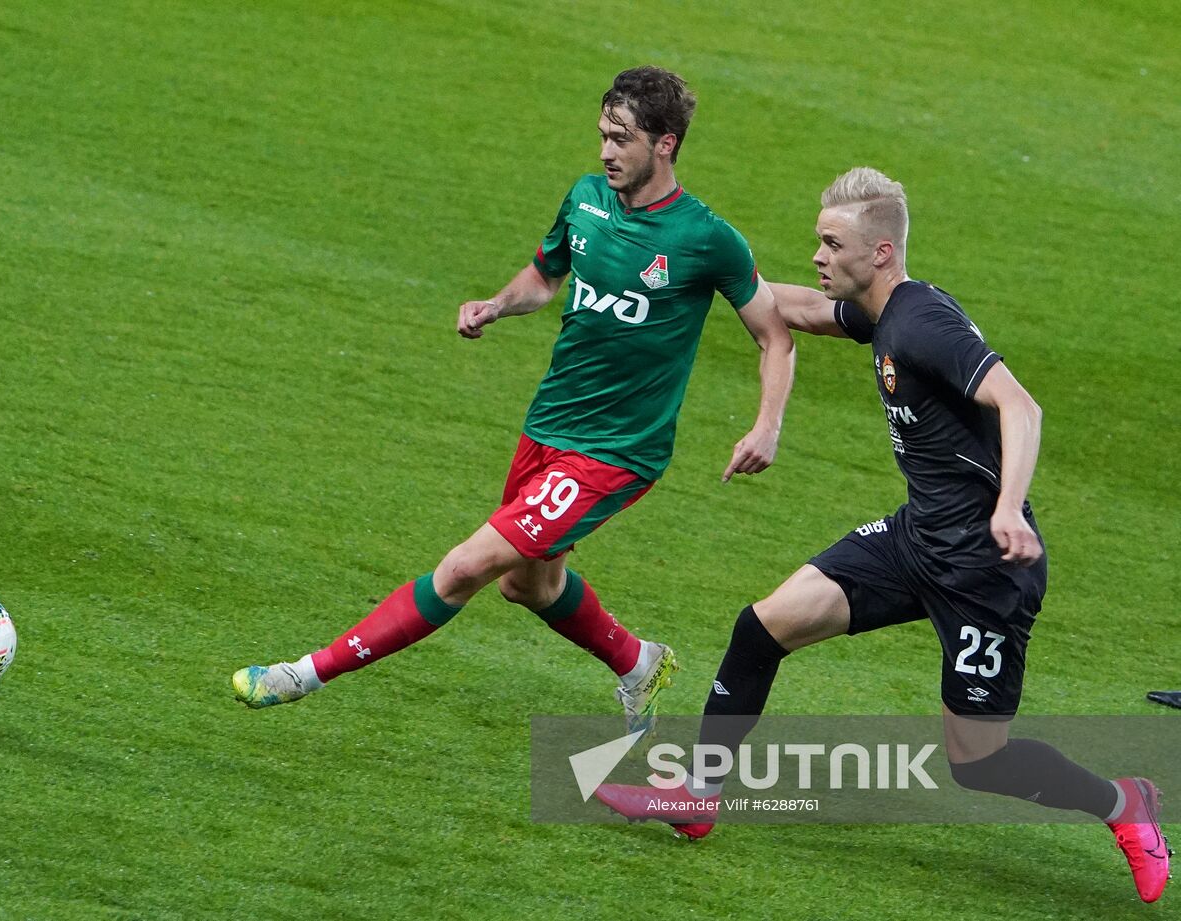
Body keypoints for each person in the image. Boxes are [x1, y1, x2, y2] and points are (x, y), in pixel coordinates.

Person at [596, 167, 1171, 904]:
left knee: (977, 761)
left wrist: (1008, 507)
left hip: (984, 567)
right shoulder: (877, 309)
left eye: (831, 243)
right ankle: (698, 795)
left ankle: (1126, 802)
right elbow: (796, 309)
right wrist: (708, 269)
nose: (819, 255)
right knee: (765, 624)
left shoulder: (921, 323)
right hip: (915, 540)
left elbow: (1020, 407)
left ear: (880, 253)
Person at [231, 66, 795, 735]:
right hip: (549, 425)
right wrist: (497, 305)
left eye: (621, 138)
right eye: (602, 135)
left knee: (466, 565)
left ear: (665, 144)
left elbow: (775, 336)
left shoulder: (706, 239)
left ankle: (304, 672)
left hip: (617, 449)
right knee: (527, 584)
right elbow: (545, 275)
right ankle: (637, 661)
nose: (606, 151)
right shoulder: (585, 200)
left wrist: (767, 426)